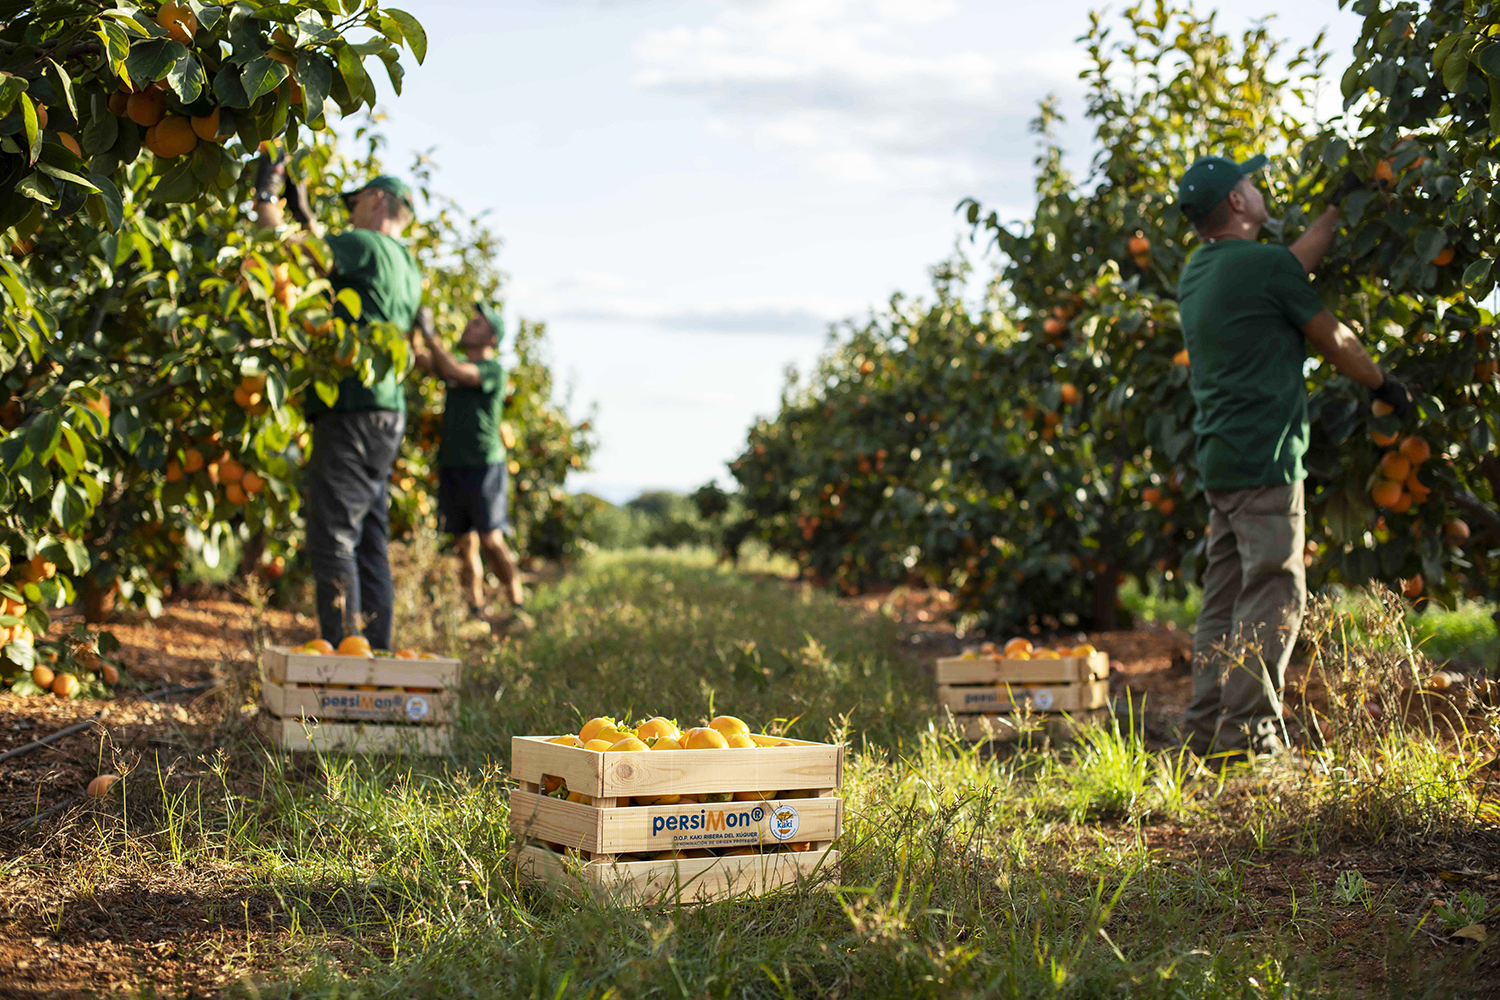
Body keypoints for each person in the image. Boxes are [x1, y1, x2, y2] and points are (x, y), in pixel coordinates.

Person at [1174, 154, 1412, 762]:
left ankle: (1203, 735)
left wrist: (1335, 209)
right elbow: (1334, 340)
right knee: (1275, 593)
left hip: (1222, 462)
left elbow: (1288, 266)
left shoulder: (1201, 270)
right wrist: (1382, 383)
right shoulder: (1263, 268)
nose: (1258, 189)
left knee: (1223, 600)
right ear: (1235, 201)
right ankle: (1249, 742)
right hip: (1267, 462)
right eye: (1249, 183)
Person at [255, 166, 424, 651]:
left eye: (353, 205)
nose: (348, 215)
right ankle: (377, 655)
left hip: (349, 407)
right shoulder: (407, 266)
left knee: (333, 538)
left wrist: (267, 194)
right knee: (369, 538)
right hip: (387, 414)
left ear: (374, 201)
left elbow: (283, 252)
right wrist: (305, 211)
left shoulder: (364, 245)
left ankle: (346, 660)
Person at [409, 303, 528, 626]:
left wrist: (431, 333)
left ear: (491, 337)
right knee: (465, 542)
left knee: (490, 539)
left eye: (476, 323)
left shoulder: (492, 370)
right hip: (452, 465)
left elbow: (457, 372)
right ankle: (476, 611)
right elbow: (422, 360)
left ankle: (517, 603)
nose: (468, 326)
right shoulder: (454, 365)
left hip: (484, 465)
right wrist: (413, 330)